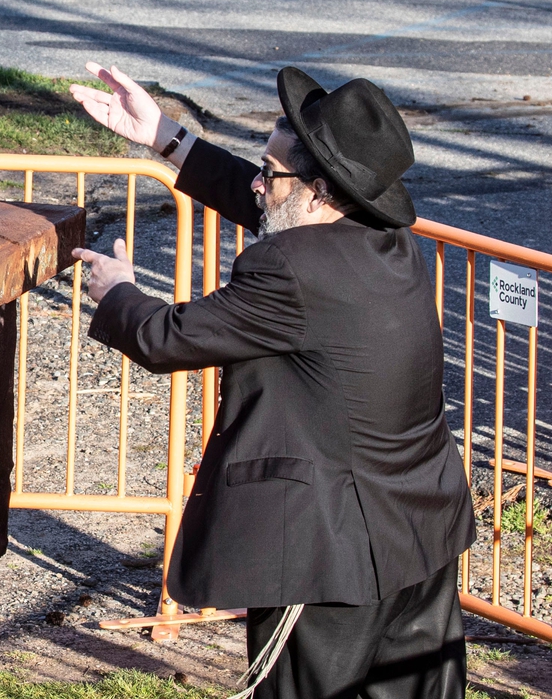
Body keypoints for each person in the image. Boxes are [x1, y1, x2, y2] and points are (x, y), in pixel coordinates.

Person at [69, 63, 476, 699]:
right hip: (421, 531)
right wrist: (164, 136)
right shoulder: (383, 233)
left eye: (272, 171)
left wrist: (118, 293)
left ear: (320, 192)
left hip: (331, 554)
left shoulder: (290, 271)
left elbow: (167, 337)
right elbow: (264, 202)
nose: (257, 183)